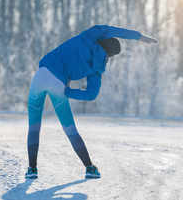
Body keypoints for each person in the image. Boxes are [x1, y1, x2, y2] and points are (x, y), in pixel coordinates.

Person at [25, 25, 158, 179]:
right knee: (70, 129)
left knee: (34, 126)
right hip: (59, 86)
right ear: (110, 55)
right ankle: (89, 168)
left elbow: (115, 30)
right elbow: (91, 95)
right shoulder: (97, 68)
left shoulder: (90, 35)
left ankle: (32, 169)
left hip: (41, 75)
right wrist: (68, 92)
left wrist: (138, 36)